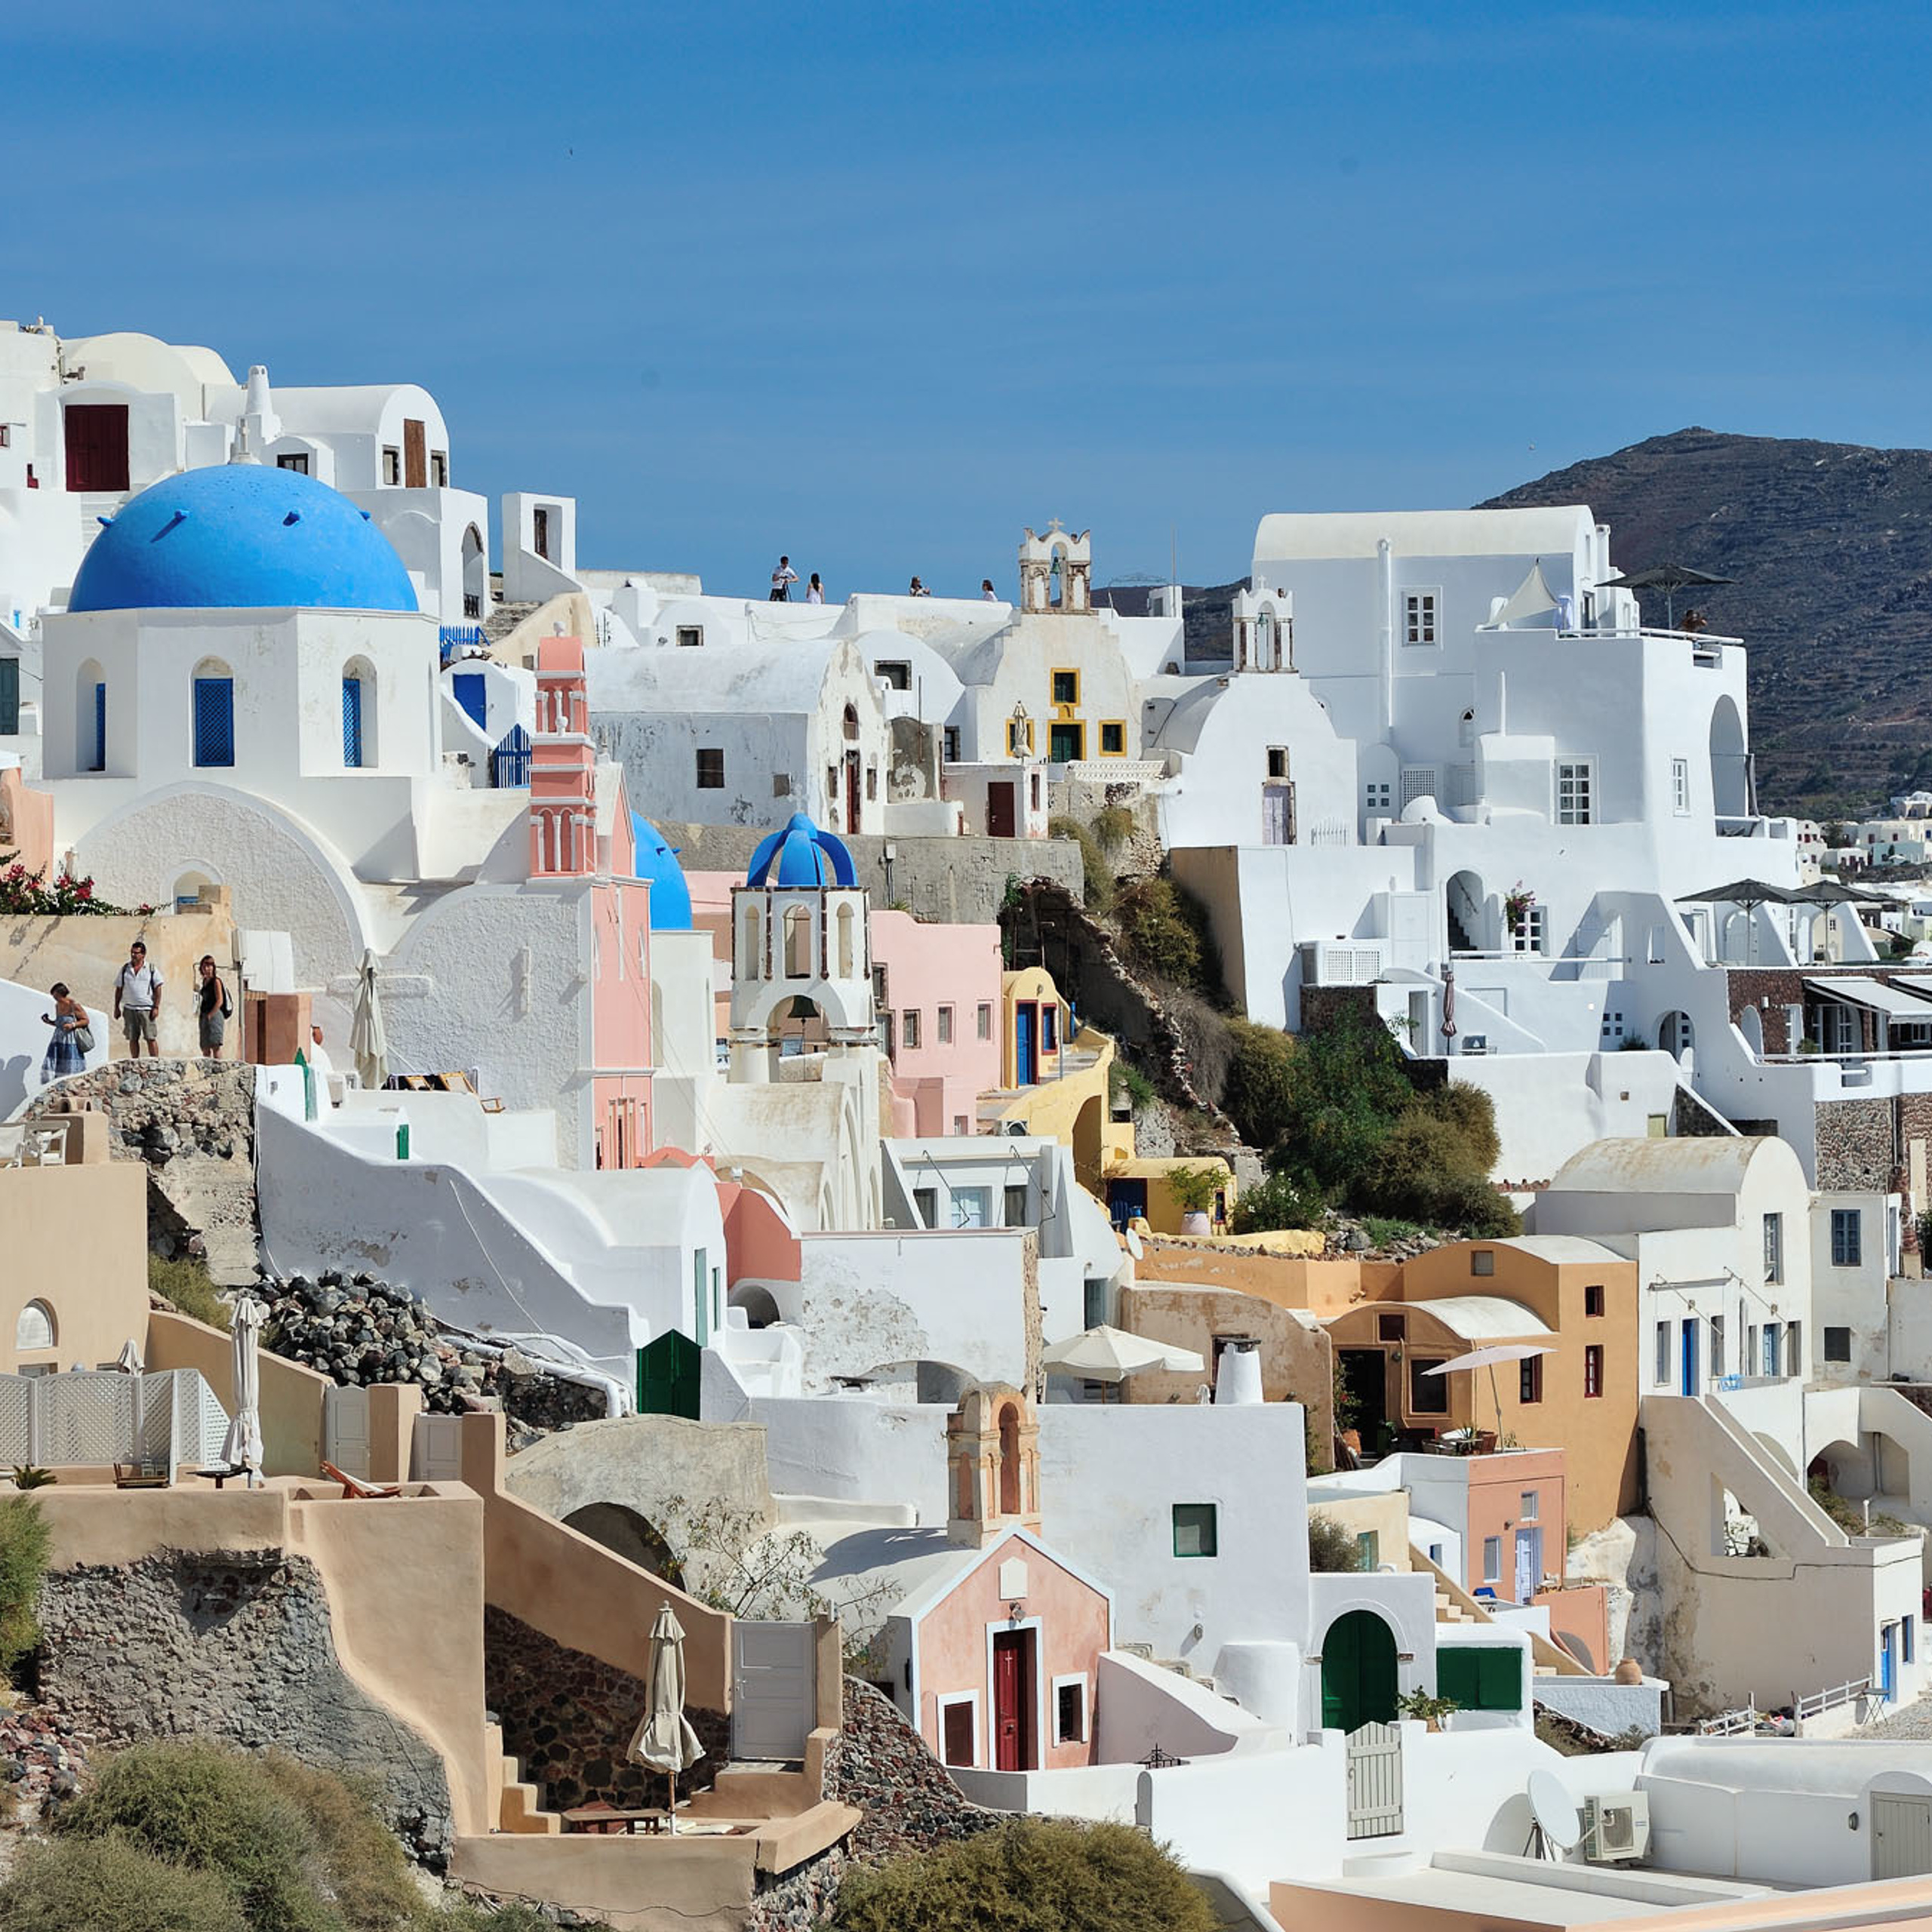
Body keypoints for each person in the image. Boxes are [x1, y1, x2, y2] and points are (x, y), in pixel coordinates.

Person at [112, 940, 162, 1059]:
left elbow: (158, 988)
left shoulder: (151, 969)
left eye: (137, 953)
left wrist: (156, 1007)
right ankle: (135, 1061)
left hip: (146, 1008)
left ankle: (155, 1061)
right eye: (132, 953)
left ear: (143, 954)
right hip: (129, 1008)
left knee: (150, 1037)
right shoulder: (125, 969)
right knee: (132, 1037)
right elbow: (119, 988)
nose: (134, 955)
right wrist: (117, 1007)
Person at [39, 983, 89, 1084]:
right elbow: (60, 1024)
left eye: (55, 995)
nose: (54, 998)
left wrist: (73, 1025)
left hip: (70, 1040)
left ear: (61, 994)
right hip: (58, 1039)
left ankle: (71, 1084)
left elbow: (86, 1020)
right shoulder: (57, 1006)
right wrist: (49, 1021)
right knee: (54, 1063)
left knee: (69, 1064)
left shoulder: (74, 1006)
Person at [195, 955, 232, 1061]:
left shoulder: (216, 981)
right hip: (205, 1014)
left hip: (215, 1015)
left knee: (215, 1045)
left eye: (210, 966)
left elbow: (219, 1000)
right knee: (205, 1046)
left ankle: (218, 1068)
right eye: (205, 966)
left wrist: (211, 1014)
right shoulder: (204, 983)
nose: (207, 968)